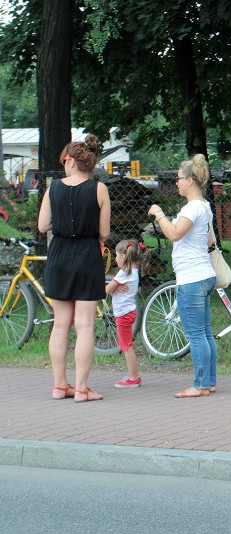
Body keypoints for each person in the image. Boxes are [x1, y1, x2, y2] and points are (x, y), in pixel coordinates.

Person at [38, 133, 111, 402]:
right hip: (87, 256)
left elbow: (42, 226)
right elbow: (104, 232)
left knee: (60, 325)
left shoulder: (53, 188)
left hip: (58, 256)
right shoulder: (98, 189)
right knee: (85, 326)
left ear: (70, 162)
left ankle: (60, 386)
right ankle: (82, 389)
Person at [148, 155, 217, 398]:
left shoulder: (192, 208)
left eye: (178, 178)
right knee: (206, 332)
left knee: (196, 334)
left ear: (189, 181)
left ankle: (199, 385)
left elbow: (175, 234)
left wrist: (159, 214)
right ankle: (209, 381)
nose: (175, 182)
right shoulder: (205, 207)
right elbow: (208, 241)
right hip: (205, 275)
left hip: (192, 278)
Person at [106, 240, 144, 388]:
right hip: (129, 311)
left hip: (123, 314)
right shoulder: (133, 271)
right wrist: (116, 287)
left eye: (116, 256)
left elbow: (108, 290)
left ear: (123, 255)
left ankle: (133, 378)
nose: (115, 259)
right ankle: (133, 376)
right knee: (126, 344)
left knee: (126, 345)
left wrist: (112, 288)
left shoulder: (124, 272)